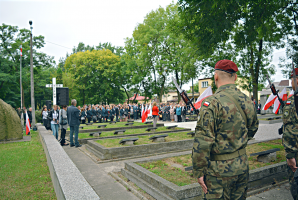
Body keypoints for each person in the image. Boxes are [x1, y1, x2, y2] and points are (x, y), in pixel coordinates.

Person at [192, 60, 259, 199]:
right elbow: (253, 128)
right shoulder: (247, 100)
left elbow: (203, 141)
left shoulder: (212, 103)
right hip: (241, 166)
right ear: (235, 77)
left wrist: (199, 171)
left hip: (218, 172)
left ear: (216, 77)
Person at [282, 68, 298, 200]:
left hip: (297, 153)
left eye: (292, 79)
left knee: (296, 186)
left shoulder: (292, 102)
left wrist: (290, 155)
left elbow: (291, 131)